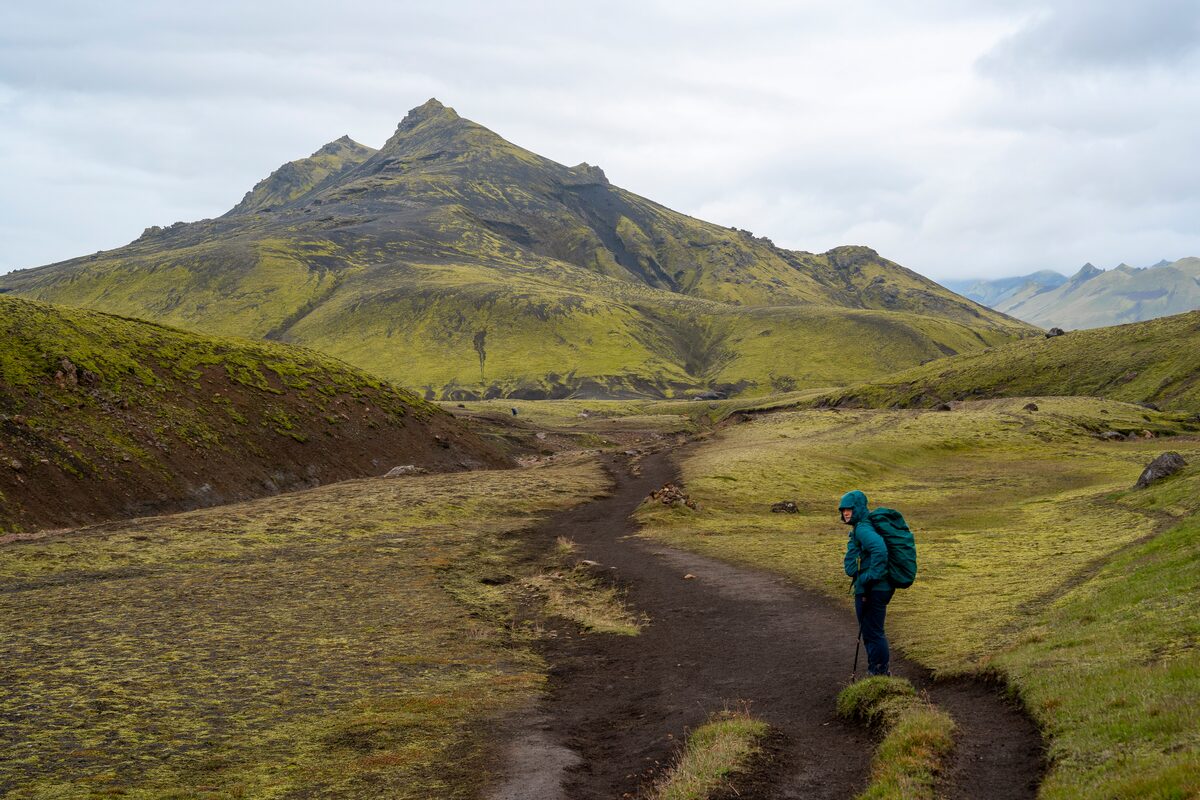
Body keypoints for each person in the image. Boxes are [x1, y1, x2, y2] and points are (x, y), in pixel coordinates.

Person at [840, 490, 894, 676]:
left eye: (849, 509)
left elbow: (880, 549)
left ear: (858, 509)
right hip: (875, 588)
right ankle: (877, 672)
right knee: (872, 632)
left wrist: (868, 577)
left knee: (873, 633)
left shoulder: (863, 528)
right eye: (843, 509)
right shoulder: (862, 527)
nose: (846, 513)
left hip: (873, 589)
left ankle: (879, 673)